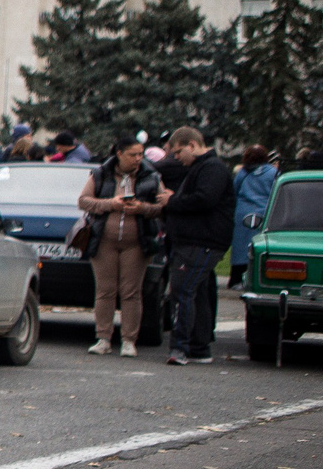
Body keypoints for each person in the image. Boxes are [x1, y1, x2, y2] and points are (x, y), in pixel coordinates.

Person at [156, 125, 233, 365]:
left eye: (178, 152)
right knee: (197, 293)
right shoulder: (205, 168)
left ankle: (181, 347)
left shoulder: (212, 169)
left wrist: (173, 200)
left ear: (192, 145)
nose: (176, 158)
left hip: (200, 242)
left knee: (182, 292)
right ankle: (199, 347)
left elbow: (204, 200)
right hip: (198, 240)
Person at [79, 138, 161, 356]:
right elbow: (83, 201)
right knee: (105, 290)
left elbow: (162, 206)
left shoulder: (151, 176)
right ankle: (103, 338)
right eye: (133, 154)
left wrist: (142, 207)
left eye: (140, 154)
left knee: (131, 292)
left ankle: (129, 340)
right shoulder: (100, 174)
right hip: (104, 241)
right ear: (119, 154)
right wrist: (110, 204)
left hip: (136, 242)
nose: (138, 159)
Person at [229, 144, 279, 273]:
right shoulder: (273, 173)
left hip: (243, 213)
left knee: (240, 246)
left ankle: (237, 277)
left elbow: (234, 190)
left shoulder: (243, 173)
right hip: (264, 213)